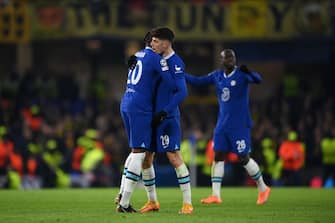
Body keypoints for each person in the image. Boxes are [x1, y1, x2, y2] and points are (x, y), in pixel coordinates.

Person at [184, 49, 271, 205]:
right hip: (222, 125)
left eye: (232, 57)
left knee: (243, 157)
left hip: (240, 125)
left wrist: (250, 72)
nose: (230, 59)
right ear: (221, 60)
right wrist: (180, 74)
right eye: (227, 57)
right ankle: (216, 195)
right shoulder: (217, 76)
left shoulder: (242, 74)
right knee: (218, 157)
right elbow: (197, 81)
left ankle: (263, 188)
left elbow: (258, 79)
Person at [117, 31, 173, 213]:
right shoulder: (156, 59)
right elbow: (171, 83)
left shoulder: (137, 56)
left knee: (136, 151)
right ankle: (124, 204)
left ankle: (121, 195)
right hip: (140, 106)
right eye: (156, 41)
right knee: (139, 152)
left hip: (127, 101)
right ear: (151, 42)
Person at [139, 27, 193, 214]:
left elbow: (182, 92)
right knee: (147, 158)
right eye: (151, 41)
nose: (151, 44)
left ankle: (187, 203)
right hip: (152, 116)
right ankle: (152, 201)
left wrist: (165, 111)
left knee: (173, 156)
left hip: (167, 118)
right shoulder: (156, 60)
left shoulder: (175, 62)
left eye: (155, 41)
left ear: (166, 43)